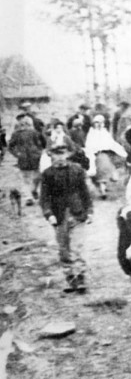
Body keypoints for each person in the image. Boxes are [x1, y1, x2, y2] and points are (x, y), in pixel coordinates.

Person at [40, 144, 93, 293]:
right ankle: (70, 278)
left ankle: (81, 277)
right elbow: (44, 198)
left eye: (62, 154)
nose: (60, 157)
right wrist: (48, 214)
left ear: (67, 154)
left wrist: (89, 211)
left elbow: (85, 192)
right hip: (59, 215)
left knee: (78, 247)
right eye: (56, 155)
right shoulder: (47, 174)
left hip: (77, 212)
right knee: (64, 249)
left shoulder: (77, 170)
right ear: (51, 156)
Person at [8, 115, 46, 205]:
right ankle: (29, 197)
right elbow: (10, 146)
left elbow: (43, 143)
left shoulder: (35, 133)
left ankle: (32, 191)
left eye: (26, 123)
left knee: (36, 177)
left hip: (34, 158)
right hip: (24, 158)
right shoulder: (16, 134)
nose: (24, 126)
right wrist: (17, 154)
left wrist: (39, 152)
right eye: (22, 124)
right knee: (27, 178)